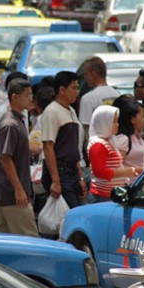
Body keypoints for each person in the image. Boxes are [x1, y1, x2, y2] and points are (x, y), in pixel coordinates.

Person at [0, 78, 39, 236]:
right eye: (27, 95)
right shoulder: (10, 124)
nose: (30, 99)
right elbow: (5, 158)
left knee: (2, 241)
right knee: (30, 239)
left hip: (7, 193)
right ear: (14, 97)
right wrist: (19, 189)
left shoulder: (17, 121)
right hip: (13, 194)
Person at [41, 71, 87, 209]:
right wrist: (55, 181)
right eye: (73, 88)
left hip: (72, 170)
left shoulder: (71, 110)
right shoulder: (51, 112)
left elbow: (74, 148)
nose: (76, 91)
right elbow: (48, 147)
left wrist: (80, 178)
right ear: (62, 90)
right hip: (60, 171)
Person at [87, 105, 141, 203]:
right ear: (104, 122)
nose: (117, 124)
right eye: (113, 121)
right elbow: (99, 172)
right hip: (102, 196)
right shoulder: (98, 144)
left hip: (110, 194)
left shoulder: (110, 141)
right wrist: (126, 172)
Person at [78, 56, 120, 135]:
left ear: (94, 74)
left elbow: (85, 129)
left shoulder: (88, 98)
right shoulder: (117, 95)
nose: (85, 77)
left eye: (86, 73)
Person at [113, 98, 144, 173]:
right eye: (143, 117)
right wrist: (136, 170)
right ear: (132, 119)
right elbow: (115, 167)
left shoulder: (140, 137)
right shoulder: (124, 139)